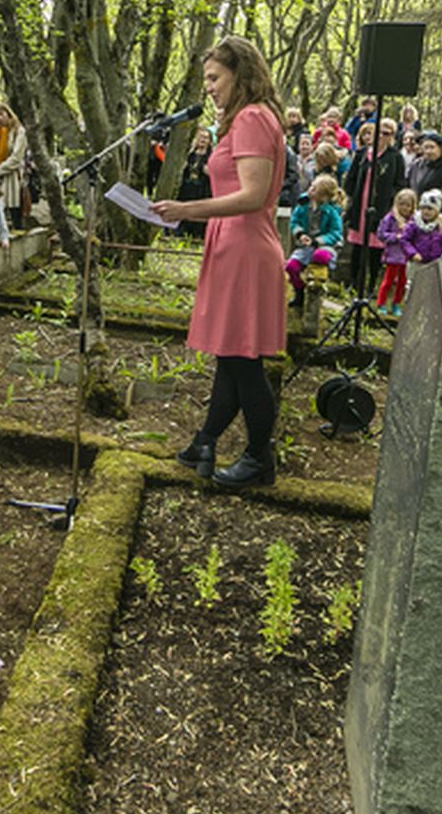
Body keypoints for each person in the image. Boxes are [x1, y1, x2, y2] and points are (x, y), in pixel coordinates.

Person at [150, 35, 287, 491]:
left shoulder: (251, 117)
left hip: (245, 249)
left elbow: (250, 195)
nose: (207, 87)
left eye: (214, 77)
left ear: (239, 74)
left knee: (244, 363)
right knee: (231, 359)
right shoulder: (253, 117)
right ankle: (205, 441)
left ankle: (258, 459)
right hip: (233, 245)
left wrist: (186, 211)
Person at [342, 115, 404, 292]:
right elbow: (351, 179)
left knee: (376, 248)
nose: (383, 136)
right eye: (380, 132)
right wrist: (351, 198)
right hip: (360, 205)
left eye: (388, 133)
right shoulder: (362, 154)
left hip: (381, 207)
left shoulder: (395, 157)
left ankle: (370, 286)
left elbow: (399, 184)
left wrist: (391, 204)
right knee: (357, 247)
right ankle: (354, 283)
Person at [285, 173, 344, 307]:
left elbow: (336, 233)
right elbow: (294, 221)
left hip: (325, 245)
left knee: (320, 256)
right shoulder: (303, 205)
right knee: (291, 266)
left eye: (314, 189)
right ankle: (299, 292)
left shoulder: (332, 211)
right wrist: (300, 234)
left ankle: (317, 282)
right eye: (311, 186)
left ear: (323, 196)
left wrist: (318, 241)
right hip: (306, 245)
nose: (310, 190)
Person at [375, 187, 420, 316]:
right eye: (402, 204)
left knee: (402, 282)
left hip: (406, 257)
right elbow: (381, 234)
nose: (404, 208)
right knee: (388, 281)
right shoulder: (390, 218)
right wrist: (395, 237)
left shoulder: (414, 221)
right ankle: (381, 303)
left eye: (408, 205)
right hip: (393, 255)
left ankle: (396, 303)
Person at [0, 102, 29, 230]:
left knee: (15, 210)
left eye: (1, 114)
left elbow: (16, 157)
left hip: (12, 176)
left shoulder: (19, 131)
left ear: (8, 113)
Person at [406, 130, 442, 226]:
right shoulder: (416, 165)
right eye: (426, 147)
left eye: (432, 147)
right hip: (417, 214)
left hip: (438, 216)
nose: (428, 151)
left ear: (441, 148)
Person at [407, 188, 442, 269]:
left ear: (437, 210)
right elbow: (405, 240)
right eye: (423, 208)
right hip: (417, 261)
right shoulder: (414, 224)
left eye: (430, 209)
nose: (426, 212)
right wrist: (412, 253)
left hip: (435, 263)